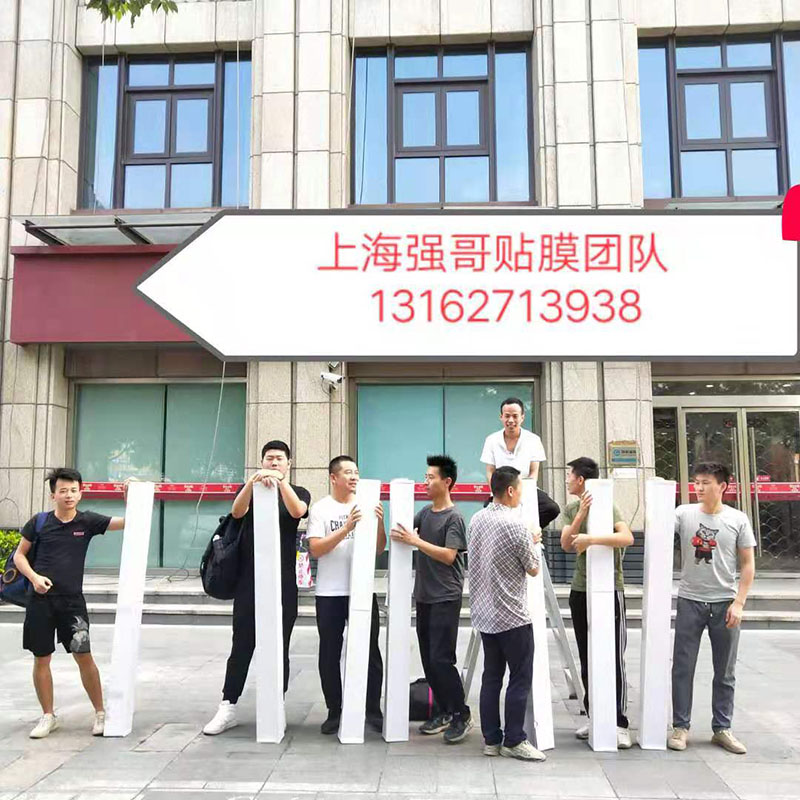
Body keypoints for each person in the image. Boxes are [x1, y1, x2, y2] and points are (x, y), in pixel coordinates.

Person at [13, 468, 131, 739]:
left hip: (72, 604)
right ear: (53, 495)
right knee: (41, 658)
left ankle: (100, 713)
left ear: (81, 493)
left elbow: (128, 522)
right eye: (63, 490)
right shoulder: (39, 522)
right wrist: (34, 578)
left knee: (83, 655)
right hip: (40, 602)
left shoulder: (87, 521)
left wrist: (129, 494)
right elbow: (20, 556)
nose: (68, 495)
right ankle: (48, 716)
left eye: (73, 490)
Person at [204, 440, 310, 735]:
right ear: (261, 462)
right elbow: (237, 513)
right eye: (269, 458)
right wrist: (252, 483)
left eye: (279, 459)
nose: (273, 463)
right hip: (248, 581)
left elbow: (298, 511)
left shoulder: (298, 491)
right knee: (242, 644)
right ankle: (228, 705)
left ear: (288, 464)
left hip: (283, 581)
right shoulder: (249, 489)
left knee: (280, 644)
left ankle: (277, 704)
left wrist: (281, 483)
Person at [668, 462, 755, 755]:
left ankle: (722, 728)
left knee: (725, 670)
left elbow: (748, 565)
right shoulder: (683, 514)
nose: (699, 488)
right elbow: (658, 530)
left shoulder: (737, 519)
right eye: (696, 482)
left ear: (722, 486)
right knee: (682, 667)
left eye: (706, 482)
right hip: (690, 600)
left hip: (725, 603)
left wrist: (739, 603)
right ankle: (680, 726)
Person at [467, 466, 545, 762]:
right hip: (513, 615)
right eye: (519, 489)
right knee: (520, 677)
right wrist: (533, 541)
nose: (521, 495)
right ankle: (514, 739)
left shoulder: (477, 519)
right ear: (510, 490)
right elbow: (533, 568)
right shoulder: (516, 525)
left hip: (485, 613)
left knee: (491, 677)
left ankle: (491, 739)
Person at [391, 454, 471, 744]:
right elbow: (404, 532)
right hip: (424, 595)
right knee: (428, 659)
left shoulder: (454, 518)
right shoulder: (425, 514)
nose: (425, 482)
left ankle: (461, 713)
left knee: (441, 658)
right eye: (425, 477)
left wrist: (416, 542)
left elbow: (449, 556)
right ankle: (444, 710)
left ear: (446, 482)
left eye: (430, 477)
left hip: (445, 596)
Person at [306, 455, 386, 735]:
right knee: (330, 652)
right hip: (330, 592)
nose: (354, 477)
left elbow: (379, 549)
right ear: (333, 477)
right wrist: (346, 528)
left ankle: (373, 710)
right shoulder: (321, 509)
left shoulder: (364, 504)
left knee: (371, 651)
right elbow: (316, 549)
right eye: (348, 472)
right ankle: (335, 710)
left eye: (356, 472)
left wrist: (379, 523)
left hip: (361, 590)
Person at [559, 456, 634, 749]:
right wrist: (581, 514)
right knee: (587, 655)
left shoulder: (609, 505)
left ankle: (619, 722)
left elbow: (626, 538)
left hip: (610, 588)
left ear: (581, 480)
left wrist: (592, 539)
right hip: (581, 589)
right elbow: (566, 544)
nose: (567, 480)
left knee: (613, 656)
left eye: (569, 475)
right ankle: (595, 716)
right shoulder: (571, 508)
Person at [480, 397, 560, 528]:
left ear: (522, 417)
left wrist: (522, 493)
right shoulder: (491, 440)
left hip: (525, 489)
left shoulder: (533, 440)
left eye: (515, 416)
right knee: (488, 521)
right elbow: (490, 472)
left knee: (552, 508)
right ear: (501, 417)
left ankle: (525, 532)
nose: (511, 420)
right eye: (507, 416)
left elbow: (534, 472)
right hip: (500, 491)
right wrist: (497, 493)